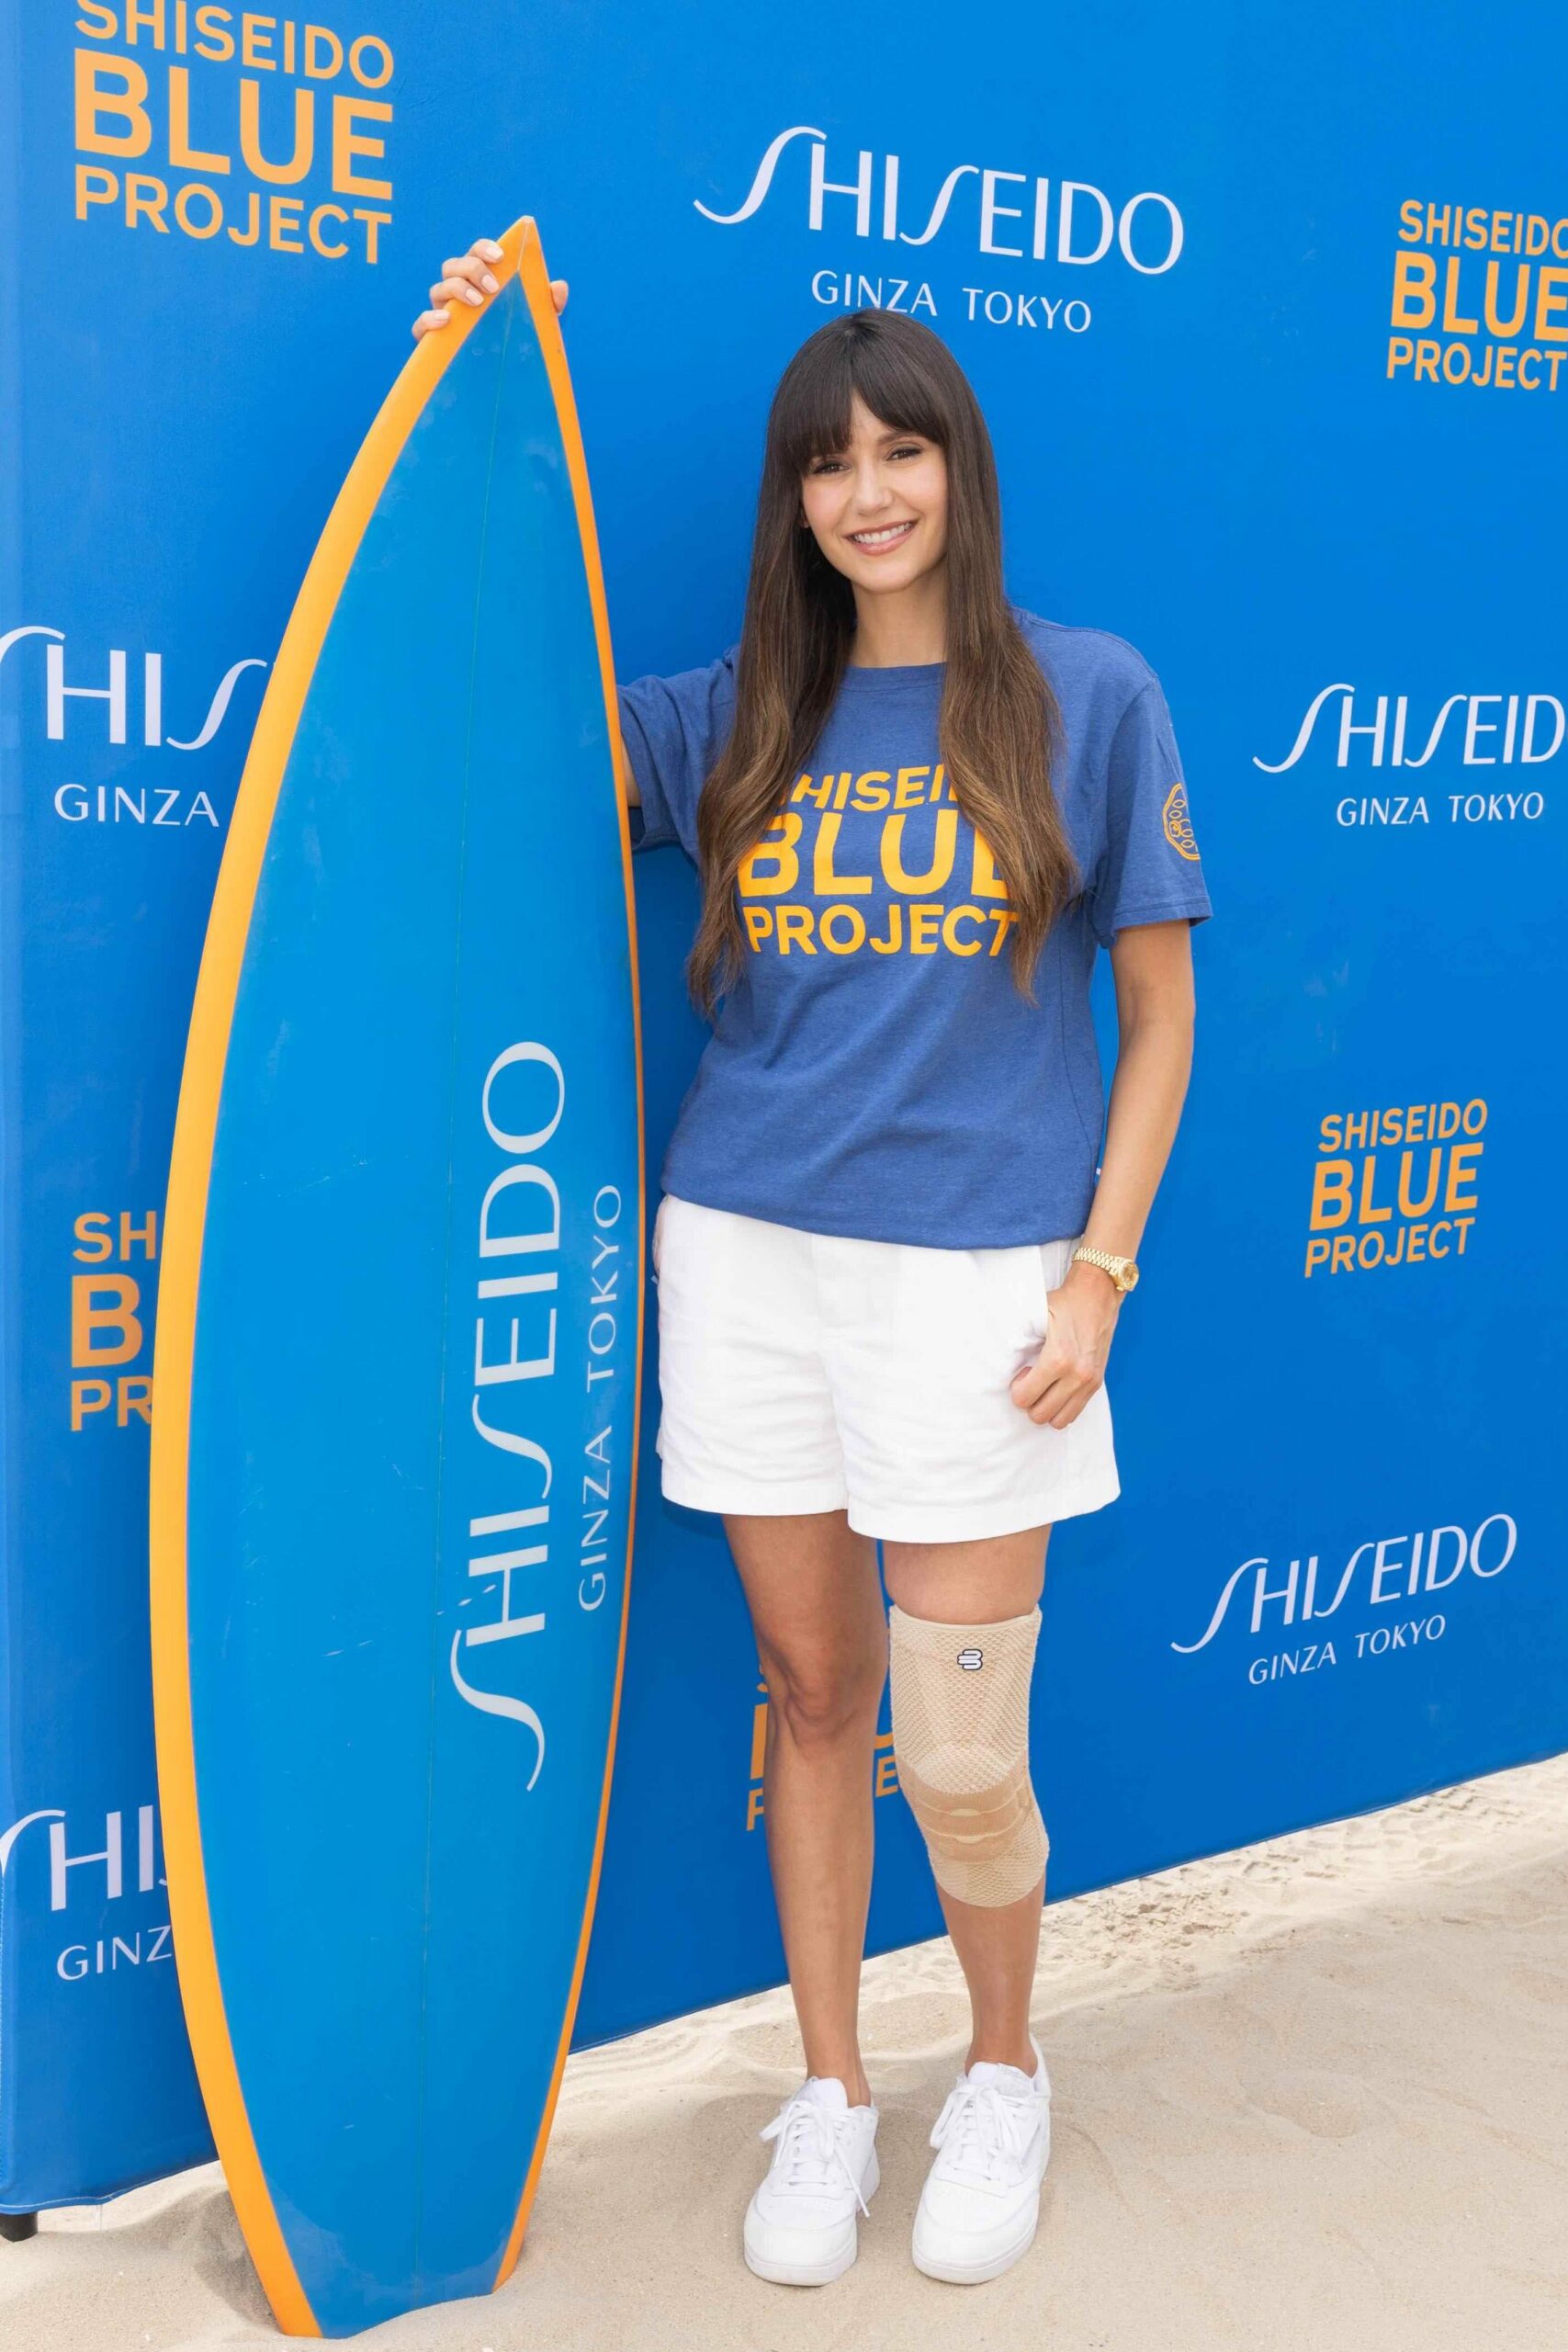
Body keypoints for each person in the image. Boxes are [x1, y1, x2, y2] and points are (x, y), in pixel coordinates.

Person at [414, 238, 1213, 2289]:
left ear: (958, 466)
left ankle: (1004, 2066)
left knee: (958, 1743)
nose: (866, 491)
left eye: (901, 450)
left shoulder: (1084, 696)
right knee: (806, 1685)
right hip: (746, 1258)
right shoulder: (734, 714)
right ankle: (834, 2089)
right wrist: (482, 408)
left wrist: (1097, 1273)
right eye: (825, 463)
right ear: (790, 500)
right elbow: (481, 719)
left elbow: (1156, 1013)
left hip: (979, 1287)